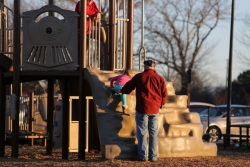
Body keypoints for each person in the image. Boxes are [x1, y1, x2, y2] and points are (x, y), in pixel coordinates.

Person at [120, 60, 168, 162]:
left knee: (142, 132)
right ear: (154, 67)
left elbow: (129, 87)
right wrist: (161, 104)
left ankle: (143, 156)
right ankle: (153, 156)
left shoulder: (139, 77)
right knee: (153, 132)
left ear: (145, 66)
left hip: (142, 108)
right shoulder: (160, 78)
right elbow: (165, 93)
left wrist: (121, 91)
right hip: (155, 109)